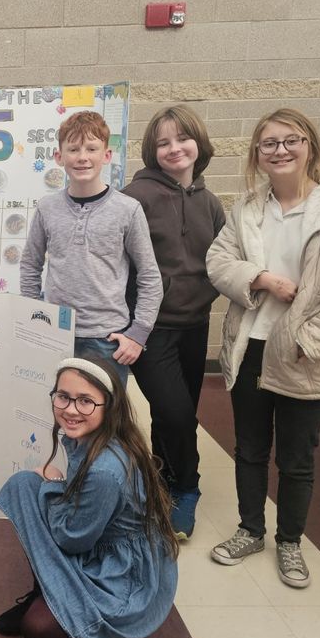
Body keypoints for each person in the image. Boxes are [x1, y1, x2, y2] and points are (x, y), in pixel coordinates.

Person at [207, 108, 320, 587]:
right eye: (269, 143)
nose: (280, 150)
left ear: (310, 145)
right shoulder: (248, 208)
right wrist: (259, 278)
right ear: (257, 155)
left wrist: (312, 339)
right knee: (248, 449)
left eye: (291, 140)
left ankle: (290, 542)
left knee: (296, 458)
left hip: (306, 355)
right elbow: (219, 259)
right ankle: (251, 530)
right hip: (250, 349)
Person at [0, 357, 178, 638]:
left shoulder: (106, 469)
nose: (70, 409)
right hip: (98, 541)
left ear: (109, 406)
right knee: (24, 485)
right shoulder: (96, 436)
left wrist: (54, 484)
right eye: (63, 397)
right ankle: (48, 590)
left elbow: (72, 539)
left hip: (119, 574)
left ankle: (107, 625)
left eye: (86, 401)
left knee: (39, 629)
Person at [123, 106, 225, 540]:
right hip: (151, 327)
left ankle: (162, 481)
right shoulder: (136, 198)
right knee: (178, 413)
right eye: (163, 142)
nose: (173, 148)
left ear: (198, 143)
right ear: (152, 150)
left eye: (182, 139)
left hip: (196, 323)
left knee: (176, 415)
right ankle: (188, 488)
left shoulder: (209, 201)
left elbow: (224, 259)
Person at [20, 111, 162, 382]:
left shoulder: (128, 209)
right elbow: (30, 264)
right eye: (73, 149)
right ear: (59, 157)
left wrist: (139, 333)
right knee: (55, 414)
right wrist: (34, 313)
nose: (82, 156)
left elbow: (149, 275)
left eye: (92, 148)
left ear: (106, 156)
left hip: (106, 340)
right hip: (55, 335)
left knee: (105, 419)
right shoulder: (47, 208)